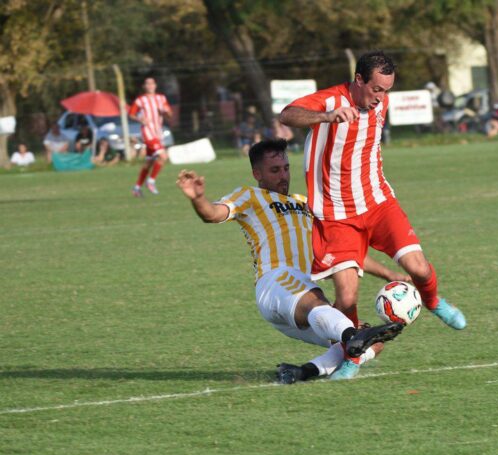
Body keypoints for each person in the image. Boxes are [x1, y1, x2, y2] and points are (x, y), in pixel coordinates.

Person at [279, 50, 466, 380]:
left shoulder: (381, 102)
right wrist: (327, 117)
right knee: (346, 296)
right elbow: (287, 115)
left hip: (378, 203)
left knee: (418, 267)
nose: (381, 97)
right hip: (336, 214)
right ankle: (352, 359)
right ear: (359, 80)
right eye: (376, 89)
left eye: (387, 90)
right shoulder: (331, 100)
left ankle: (433, 301)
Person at [176, 139, 406, 384]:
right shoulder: (250, 196)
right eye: (275, 170)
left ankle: (303, 372)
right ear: (257, 174)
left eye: (286, 168)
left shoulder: (306, 203)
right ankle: (351, 335)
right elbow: (213, 214)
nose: (283, 176)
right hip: (276, 281)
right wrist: (198, 198)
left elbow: (344, 254)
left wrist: (390, 275)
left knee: (373, 341)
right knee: (347, 328)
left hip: (304, 296)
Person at [129, 77, 172, 197]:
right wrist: (140, 119)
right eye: (147, 84)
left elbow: (169, 115)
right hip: (148, 132)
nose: (150, 86)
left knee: (149, 162)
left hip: (158, 133)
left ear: (155, 85)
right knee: (163, 156)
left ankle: (137, 188)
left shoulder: (161, 98)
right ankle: (151, 181)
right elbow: (131, 114)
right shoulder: (140, 100)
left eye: (152, 83)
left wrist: (166, 112)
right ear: (144, 86)